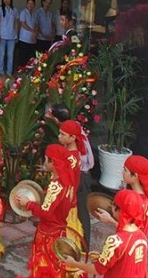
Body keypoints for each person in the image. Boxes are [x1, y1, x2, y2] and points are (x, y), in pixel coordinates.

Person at [16, 144, 77, 278]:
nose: (44, 162)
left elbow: (46, 213)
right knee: (56, 266)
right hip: (60, 231)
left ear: (53, 162)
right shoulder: (68, 181)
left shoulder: (56, 185)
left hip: (48, 234)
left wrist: (29, 204)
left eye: (46, 159)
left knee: (44, 267)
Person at [65, 189, 148, 277]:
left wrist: (74, 263)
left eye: (113, 204)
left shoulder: (115, 241)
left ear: (118, 210)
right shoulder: (141, 236)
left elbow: (97, 270)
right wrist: (104, 256)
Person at [49, 105, 94, 250]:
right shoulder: (73, 128)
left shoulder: (72, 141)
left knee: (81, 212)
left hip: (81, 175)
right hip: (80, 173)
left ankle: (83, 245)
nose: (60, 136)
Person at [96, 154, 148, 237]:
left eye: (125, 170)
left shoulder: (136, 201)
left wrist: (110, 220)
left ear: (135, 175)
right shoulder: (145, 197)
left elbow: (131, 233)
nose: (123, 172)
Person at [0, 0, 18, 79]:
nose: (6, 0)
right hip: (2, 35)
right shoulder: (0, 9)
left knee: (10, 55)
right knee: (2, 54)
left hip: (12, 36)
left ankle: (9, 72)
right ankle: (1, 71)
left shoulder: (14, 10)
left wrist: (16, 35)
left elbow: (16, 23)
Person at [15, 0, 38, 70]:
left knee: (30, 57)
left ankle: (28, 72)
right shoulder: (23, 12)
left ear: (34, 5)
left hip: (32, 39)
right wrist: (32, 30)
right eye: (29, 3)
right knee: (23, 56)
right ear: (27, 4)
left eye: (32, 4)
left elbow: (36, 24)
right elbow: (23, 24)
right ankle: (21, 71)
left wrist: (35, 32)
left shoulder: (35, 14)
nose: (30, 5)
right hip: (24, 38)